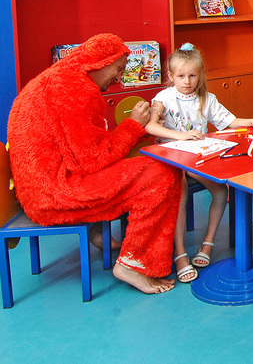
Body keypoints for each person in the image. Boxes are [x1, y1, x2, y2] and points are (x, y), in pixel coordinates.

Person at [7, 33, 183, 294]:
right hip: (55, 195)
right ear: (100, 63)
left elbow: (78, 150)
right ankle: (134, 263)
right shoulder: (77, 90)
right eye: (118, 69)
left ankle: (97, 233)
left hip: (37, 191)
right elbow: (93, 161)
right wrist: (133, 126)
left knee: (138, 169)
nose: (119, 77)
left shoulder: (55, 78)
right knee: (163, 173)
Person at [145, 43, 253, 283]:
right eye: (181, 76)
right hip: (170, 159)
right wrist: (181, 136)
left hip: (197, 158)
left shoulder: (207, 99)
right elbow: (150, 126)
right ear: (171, 76)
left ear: (200, 75)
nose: (187, 81)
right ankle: (180, 254)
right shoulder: (163, 98)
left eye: (192, 76)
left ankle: (207, 243)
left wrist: (250, 120)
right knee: (179, 190)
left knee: (220, 190)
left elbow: (228, 121)